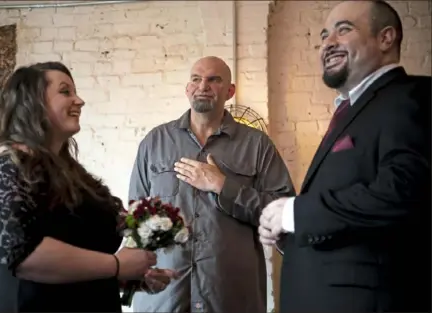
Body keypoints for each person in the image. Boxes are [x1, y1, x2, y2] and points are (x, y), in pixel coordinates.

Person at [0, 61, 177, 312]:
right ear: (33, 104)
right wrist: (116, 265)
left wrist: (127, 277)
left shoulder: (74, 176)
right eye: (65, 92)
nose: (80, 101)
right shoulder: (4, 168)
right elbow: (22, 255)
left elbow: (79, 253)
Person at [258, 1, 431, 312]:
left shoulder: (413, 96)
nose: (328, 43)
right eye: (324, 35)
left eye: (344, 30)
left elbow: (405, 191)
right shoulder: (351, 110)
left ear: (385, 38)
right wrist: (293, 230)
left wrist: (296, 213)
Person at [128, 56, 295, 312]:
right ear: (187, 89)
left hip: (231, 299)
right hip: (164, 299)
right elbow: (135, 219)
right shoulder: (155, 142)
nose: (203, 86)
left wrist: (223, 186)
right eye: (196, 79)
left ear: (230, 91)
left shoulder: (257, 145)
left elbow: (283, 215)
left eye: (213, 80)